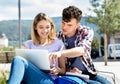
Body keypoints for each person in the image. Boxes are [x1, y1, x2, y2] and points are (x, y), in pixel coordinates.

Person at [51, 6, 111, 84]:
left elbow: (81, 50)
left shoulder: (86, 32)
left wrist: (60, 53)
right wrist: (69, 71)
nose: (64, 27)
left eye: (69, 25)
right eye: (63, 23)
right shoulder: (58, 37)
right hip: (71, 75)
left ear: (77, 25)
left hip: (89, 73)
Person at [8, 12, 66, 84]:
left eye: (47, 27)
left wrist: (58, 70)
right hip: (32, 78)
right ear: (35, 27)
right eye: (41, 27)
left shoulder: (58, 43)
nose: (45, 30)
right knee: (18, 61)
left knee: (18, 59)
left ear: (51, 27)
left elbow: (63, 70)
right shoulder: (28, 44)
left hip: (49, 80)